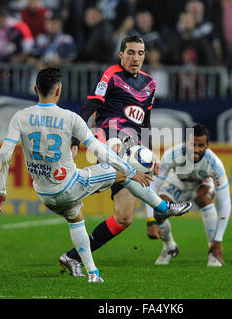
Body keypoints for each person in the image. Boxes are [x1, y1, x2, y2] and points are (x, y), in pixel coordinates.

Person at [0, 68, 192, 282]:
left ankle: (92, 272)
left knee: (76, 219)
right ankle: (162, 208)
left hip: (44, 193)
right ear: (59, 90)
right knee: (117, 171)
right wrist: (131, 172)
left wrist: (0, 190)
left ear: (35, 89)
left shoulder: (20, 117)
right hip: (71, 186)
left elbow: (5, 153)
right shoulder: (70, 118)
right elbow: (100, 150)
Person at [63, 35, 190, 275]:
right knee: (130, 171)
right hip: (109, 138)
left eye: (140, 53)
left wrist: (150, 154)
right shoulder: (111, 74)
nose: (135, 58)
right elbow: (90, 107)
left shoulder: (150, 84)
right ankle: (163, 207)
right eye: (130, 52)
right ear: (121, 54)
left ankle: (71, 256)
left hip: (134, 145)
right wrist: (75, 139)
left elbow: (146, 122)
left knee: (123, 218)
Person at [145, 124, 232, 267]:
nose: (196, 150)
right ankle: (169, 246)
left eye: (201, 145)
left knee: (204, 198)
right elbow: (151, 187)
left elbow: (225, 203)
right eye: (193, 145)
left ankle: (213, 251)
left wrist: (218, 240)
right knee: (159, 209)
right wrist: (150, 220)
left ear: (208, 145)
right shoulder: (172, 154)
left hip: (201, 185)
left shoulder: (215, 164)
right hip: (176, 183)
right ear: (186, 143)